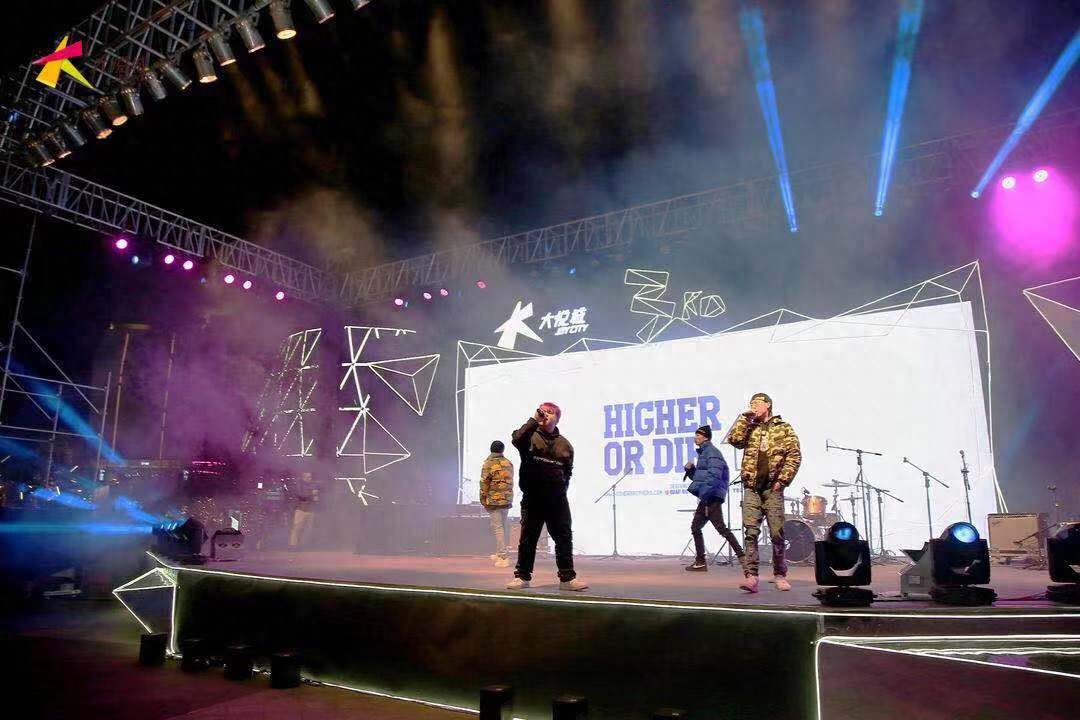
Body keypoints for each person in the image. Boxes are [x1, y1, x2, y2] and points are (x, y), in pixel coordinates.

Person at [506, 403, 588, 591]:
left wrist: (561, 489)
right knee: (528, 538)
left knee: (564, 537)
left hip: (557, 499)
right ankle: (522, 577)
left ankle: (567, 579)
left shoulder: (565, 444)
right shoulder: (529, 436)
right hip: (533, 497)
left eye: (550, 412)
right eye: (542, 411)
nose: (545, 414)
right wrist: (534, 419)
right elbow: (517, 439)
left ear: (557, 418)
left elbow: (568, 471)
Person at [726, 392, 801, 593]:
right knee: (750, 533)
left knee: (777, 534)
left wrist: (782, 481)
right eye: (750, 403)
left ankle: (780, 574)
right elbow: (734, 440)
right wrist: (744, 419)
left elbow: (794, 456)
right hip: (752, 488)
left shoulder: (783, 427)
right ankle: (751, 577)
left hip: (772, 489)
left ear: (767, 405)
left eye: (756, 403)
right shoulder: (749, 426)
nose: (753, 406)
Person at [684, 424, 745, 572]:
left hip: (710, 497)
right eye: (696, 435)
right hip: (709, 496)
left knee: (721, 528)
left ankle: (742, 556)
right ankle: (701, 561)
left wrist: (705, 495)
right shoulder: (705, 453)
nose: (695, 437)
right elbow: (701, 478)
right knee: (697, 527)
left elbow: (714, 476)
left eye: (698, 435)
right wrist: (691, 470)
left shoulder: (712, 452)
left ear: (705, 437)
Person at [480, 440, 514, 568]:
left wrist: (483, 499)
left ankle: (503, 557)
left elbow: (484, 484)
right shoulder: (508, 463)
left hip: (494, 501)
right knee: (502, 527)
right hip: (506, 500)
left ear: (491, 449)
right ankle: (499, 553)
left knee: (498, 528)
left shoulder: (488, 464)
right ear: (502, 450)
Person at [288, 472, 317, 551]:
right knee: (297, 528)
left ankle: (303, 546)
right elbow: (301, 495)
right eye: (308, 477)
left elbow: (314, 499)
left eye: (310, 477)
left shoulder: (312, 486)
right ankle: (293, 545)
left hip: (310, 510)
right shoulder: (299, 485)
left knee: (308, 529)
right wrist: (311, 493)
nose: (309, 478)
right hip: (301, 510)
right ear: (303, 477)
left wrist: (315, 498)